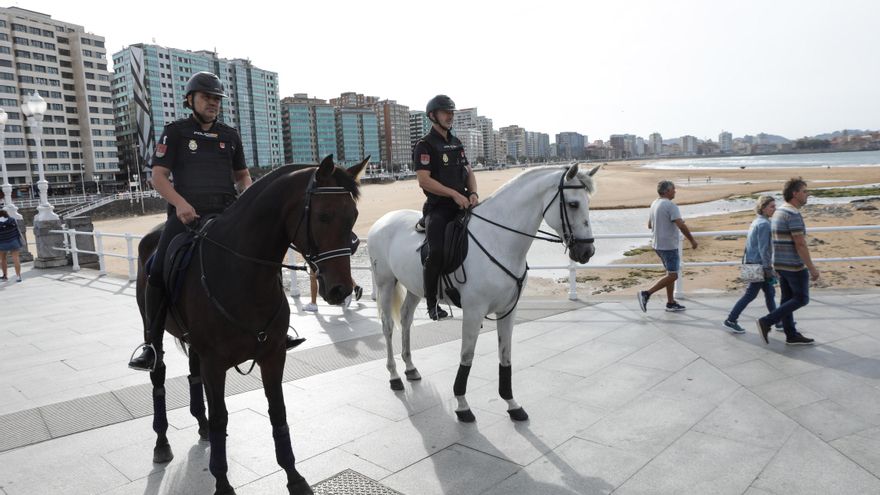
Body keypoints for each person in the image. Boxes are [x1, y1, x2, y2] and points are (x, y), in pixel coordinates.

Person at [128, 71, 297, 371]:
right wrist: (180, 203)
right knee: (156, 269)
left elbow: (242, 176)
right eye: (207, 97)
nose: (213, 103)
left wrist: (250, 201)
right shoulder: (176, 132)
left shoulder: (229, 136)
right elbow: (158, 176)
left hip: (227, 216)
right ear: (190, 99)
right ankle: (152, 345)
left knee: (265, 262)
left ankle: (279, 329)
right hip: (186, 217)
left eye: (217, 98)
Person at [413, 94, 478, 320]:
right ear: (433, 116)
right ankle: (432, 304)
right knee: (437, 251)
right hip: (439, 208)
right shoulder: (425, 144)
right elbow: (424, 180)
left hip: (463, 205)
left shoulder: (456, 142)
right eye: (445, 112)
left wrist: (473, 193)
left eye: (452, 112)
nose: (450, 116)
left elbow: (468, 172)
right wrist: (453, 194)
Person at [756, 178, 818, 345]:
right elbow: (800, 243)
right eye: (804, 191)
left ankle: (791, 334)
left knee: (787, 299)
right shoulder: (792, 214)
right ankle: (767, 321)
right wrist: (812, 268)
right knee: (801, 298)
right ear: (794, 193)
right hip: (794, 266)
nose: (807, 195)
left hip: (780, 264)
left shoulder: (779, 212)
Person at [637, 180, 698, 313]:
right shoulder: (670, 205)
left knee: (670, 273)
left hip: (657, 245)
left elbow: (649, 225)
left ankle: (670, 303)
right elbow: (681, 226)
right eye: (673, 189)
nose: (675, 191)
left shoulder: (654, 203)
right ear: (666, 191)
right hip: (668, 246)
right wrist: (692, 240)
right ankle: (646, 294)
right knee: (674, 275)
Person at [723, 196, 778, 333]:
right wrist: (768, 268)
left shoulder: (756, 222)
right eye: (772, 206)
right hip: (758, 265)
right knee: (751, 294)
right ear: (763, 208)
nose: (774, 208)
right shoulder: (765, 224)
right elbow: (764, 248)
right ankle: (731, 319)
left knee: (770, 292)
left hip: (751, 262)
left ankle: (777, 320)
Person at [0, 210, 23, 282]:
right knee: (16, 259)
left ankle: (5, 276)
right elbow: (17, 230)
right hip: (14, 241)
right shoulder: (12, 220)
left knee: (3, 259)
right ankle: (18, 276)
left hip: (2, 243)